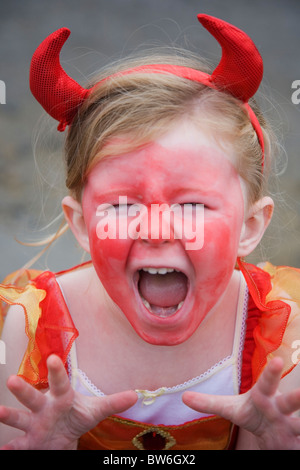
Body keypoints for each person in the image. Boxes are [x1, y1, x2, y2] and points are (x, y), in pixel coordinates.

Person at [1, 13, 300, 451]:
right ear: (82, 224)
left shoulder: (284, 334)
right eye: (122, 205)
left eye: (192, 204)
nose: (157, 231)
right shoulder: (25, 333)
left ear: (250, 226)